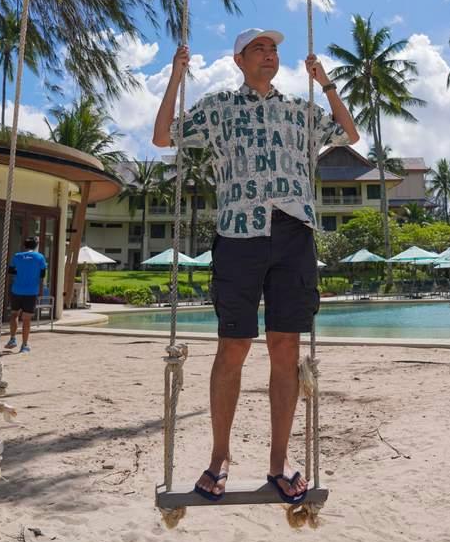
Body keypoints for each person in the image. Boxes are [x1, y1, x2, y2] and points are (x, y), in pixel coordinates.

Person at [153, 28, 359, 504]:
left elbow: (348, 132)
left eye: (274, 49)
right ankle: (219, 457)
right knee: (234, 347)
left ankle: (278, 461)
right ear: (239, 60)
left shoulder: (298, 109)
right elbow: (163, 136)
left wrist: (324, 81)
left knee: (286, 347)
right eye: (259, 49)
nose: (270, 55)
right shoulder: (219, 106)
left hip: (293, 231)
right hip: (238, 233)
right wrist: (176, 75)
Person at [5, 236, 47, 354]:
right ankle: (24, 345)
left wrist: (22, 272)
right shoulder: (40, 257)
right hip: (31, 292)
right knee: (27, 319)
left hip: (17, 290)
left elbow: (11, 271)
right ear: (36, 246)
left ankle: (12, 339)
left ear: (24, 245)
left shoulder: (17, 256)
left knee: (14, 315)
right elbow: (43, 274)